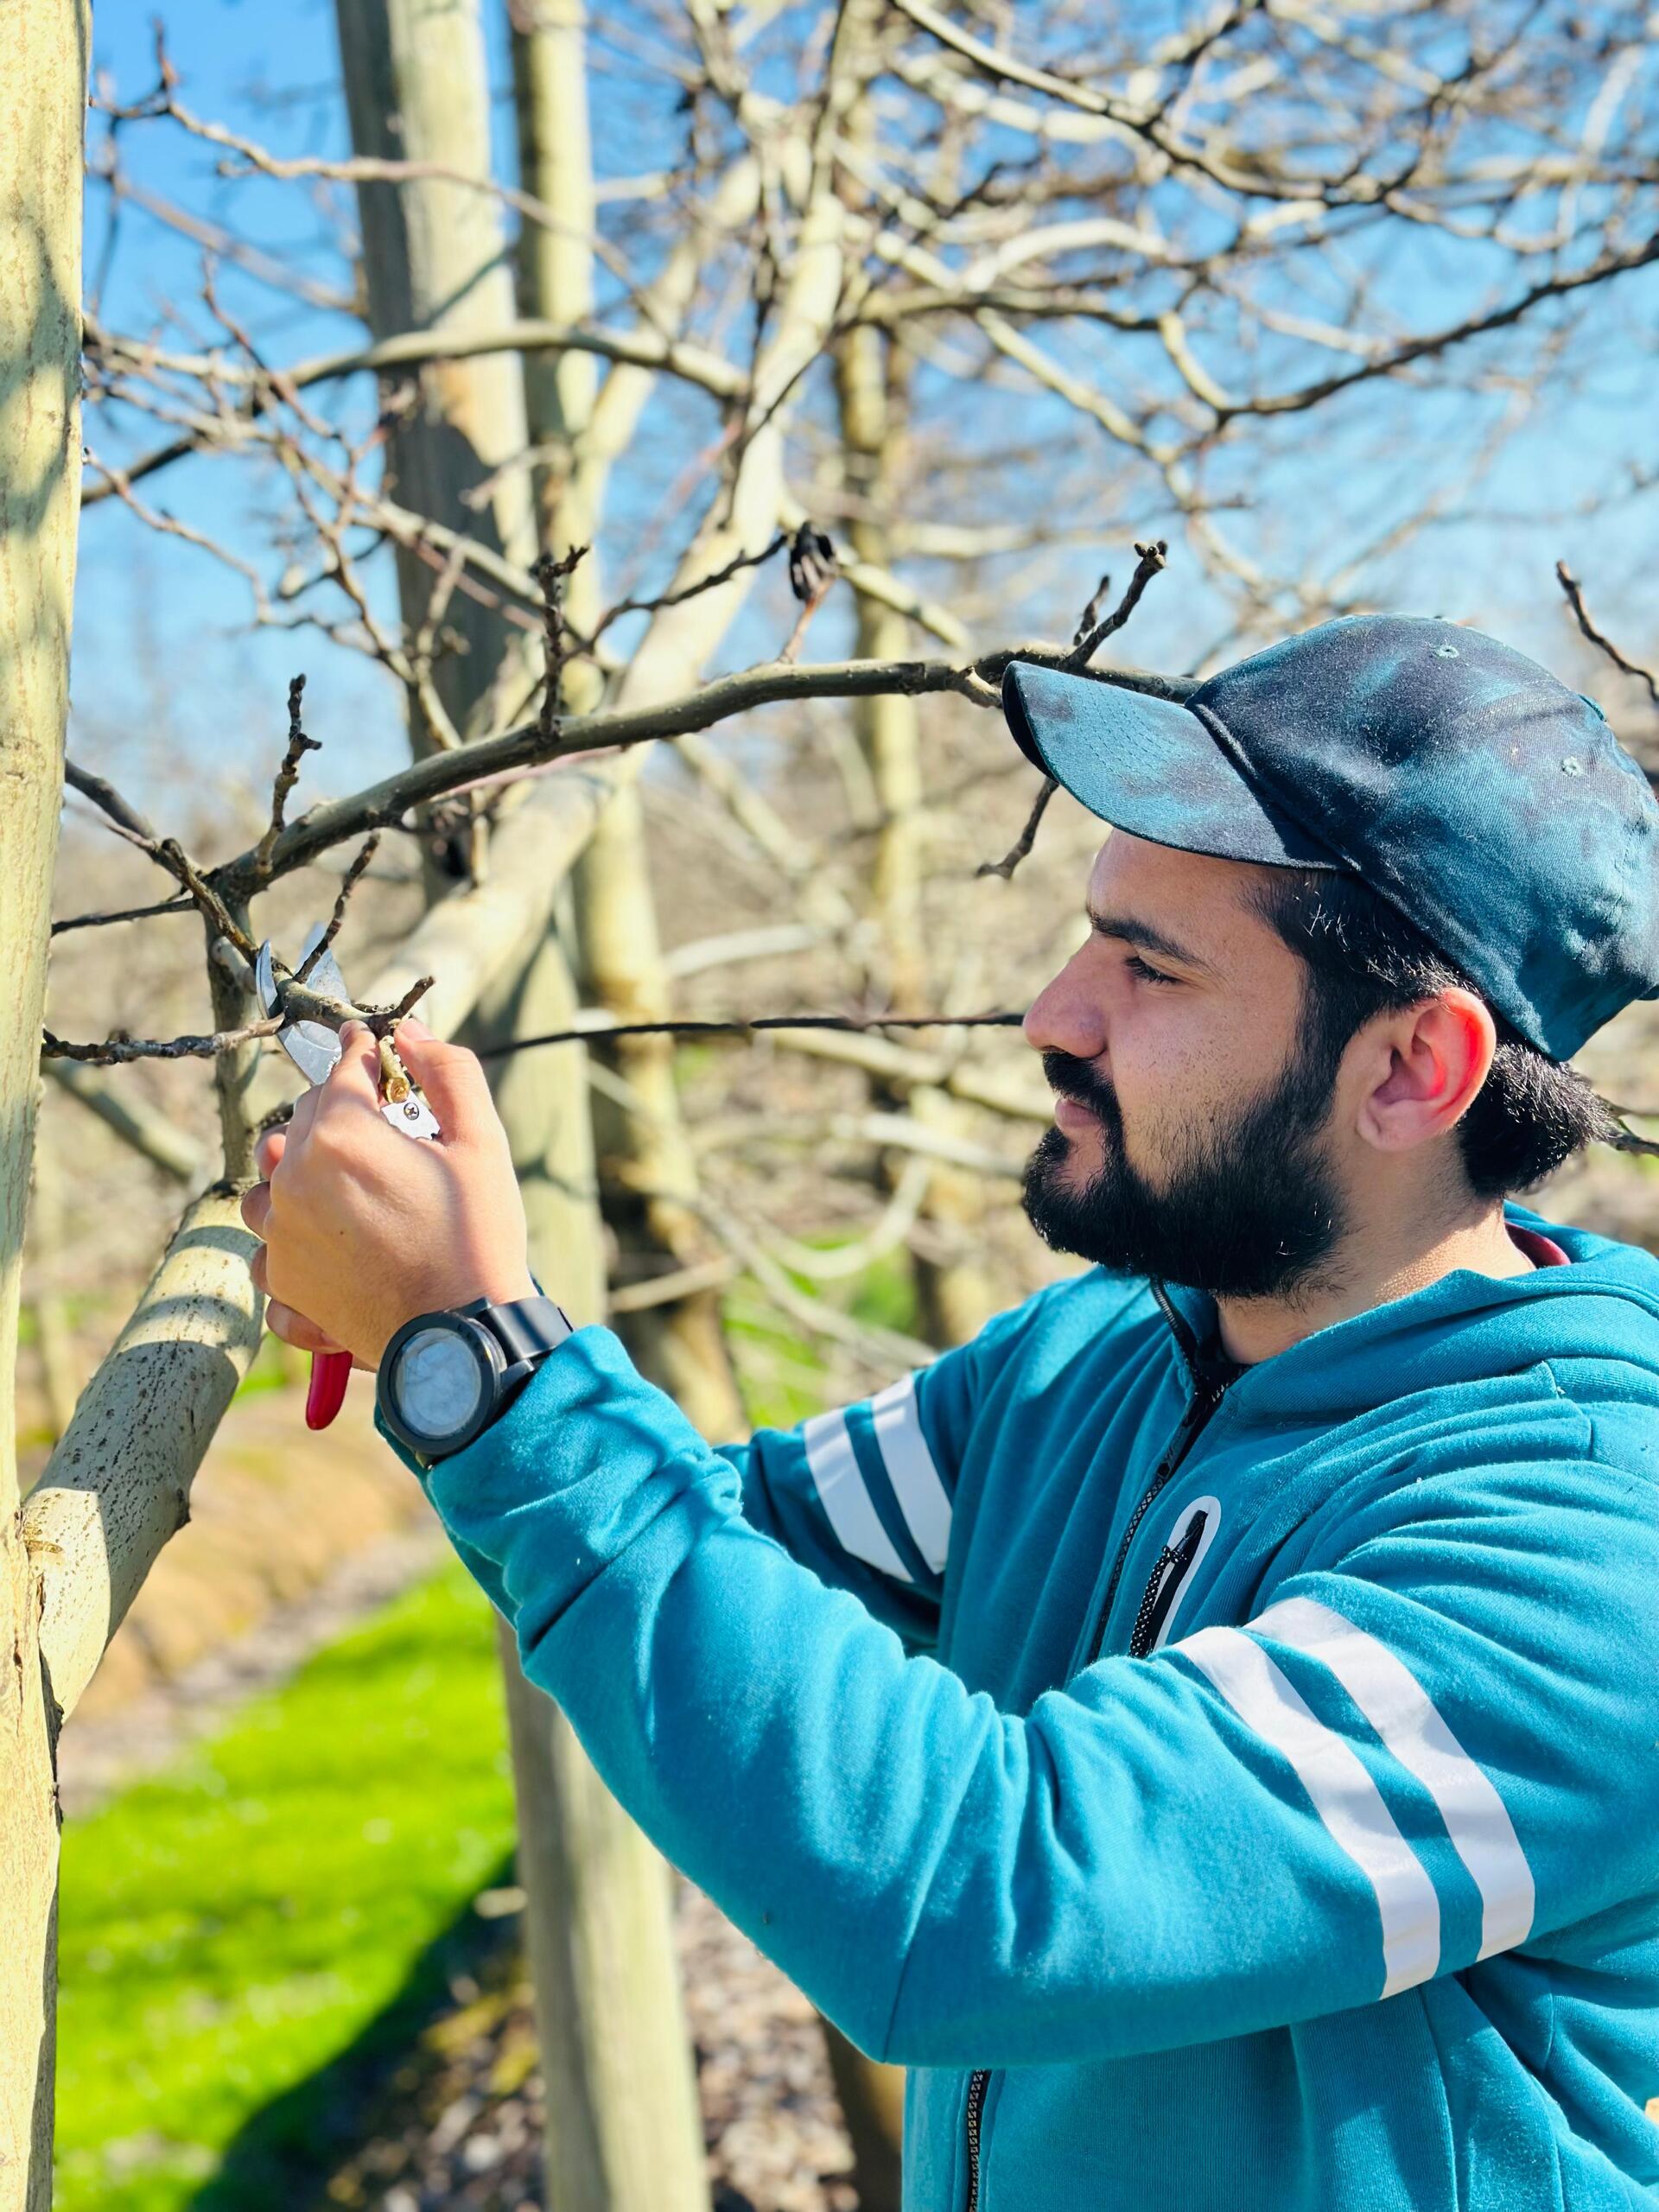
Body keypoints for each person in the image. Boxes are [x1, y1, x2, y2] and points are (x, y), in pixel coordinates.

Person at [243, 613, 1659, 2211]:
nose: (1053, 1012)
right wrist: (424, 1312)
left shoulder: (1593, 1545)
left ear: (1412, 1069)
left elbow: (977, 1901)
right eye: (1090, 938)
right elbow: (693, 1545)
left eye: (1149, 966)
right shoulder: (1089, 1361)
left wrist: (475, 1358)